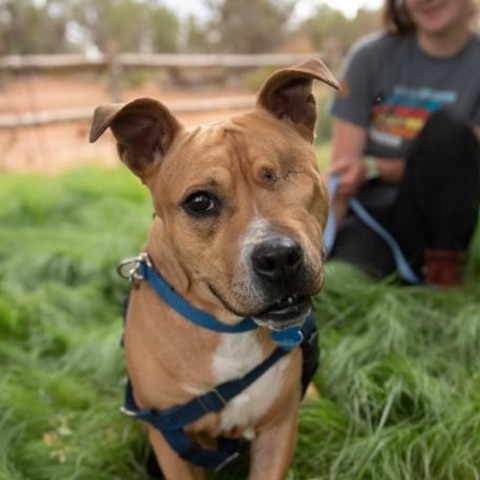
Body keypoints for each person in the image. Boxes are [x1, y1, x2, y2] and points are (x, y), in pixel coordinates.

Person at [327, 0, 480, 286]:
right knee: (346, 279)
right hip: (371, 216)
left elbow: (464, 165)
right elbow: (342, 173)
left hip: (442, 217)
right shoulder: (369, 58)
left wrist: (377, 166)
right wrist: (321, 241)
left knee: (450, 131)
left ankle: (443, 277)